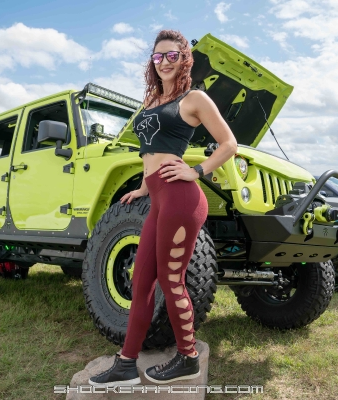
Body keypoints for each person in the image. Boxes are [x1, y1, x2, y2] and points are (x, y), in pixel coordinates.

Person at [89, 29, 237, 387]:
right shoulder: (151, 101)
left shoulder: (194, 99)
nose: (165, 62)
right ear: (151, 62)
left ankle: (187, 357)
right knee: (141, 283)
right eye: (159, 56)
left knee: (172, 282)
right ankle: (126, 364)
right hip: (158, 199)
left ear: (184, 59)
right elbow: (150, 153)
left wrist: (196, 170)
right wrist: (142, 188)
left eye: (173, 56)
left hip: (181, 198)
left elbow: (229, 143)